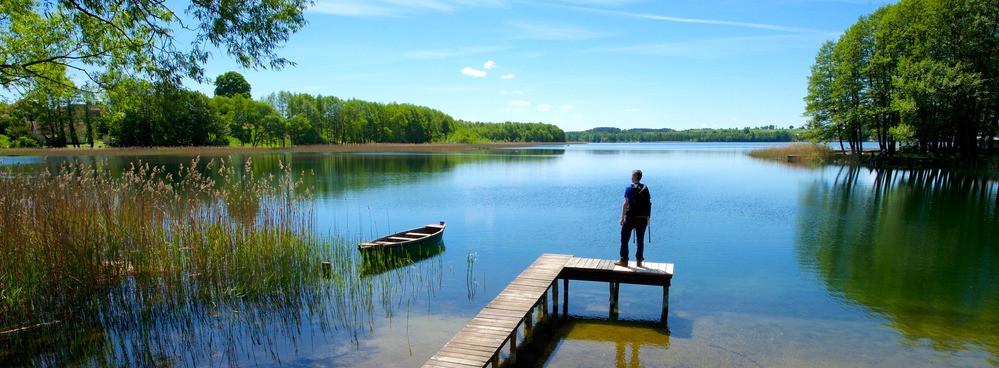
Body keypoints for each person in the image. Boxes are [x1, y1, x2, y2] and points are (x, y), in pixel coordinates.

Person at [619, 169, 651, 267]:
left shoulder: (629, 188)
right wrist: (648, 217)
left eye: (632, 175)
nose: (631, 177)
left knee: (624, 239)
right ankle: (639, 261)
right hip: (642, 218)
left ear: (635, 177)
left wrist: (622, 217)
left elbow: (626, 203)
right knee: (640, 240)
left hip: (630, 218)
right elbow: (648, 203)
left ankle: (624, 260)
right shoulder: (645, 188)